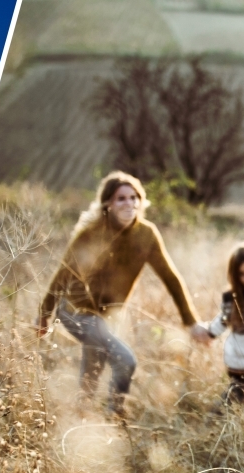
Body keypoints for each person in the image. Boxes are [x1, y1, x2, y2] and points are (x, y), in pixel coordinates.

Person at [37, 171, 199, 418]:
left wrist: (191, 322)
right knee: (125, 360)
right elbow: (63, 274)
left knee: (94, 364)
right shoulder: (91, 233)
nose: (129, 203)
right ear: (108, 204)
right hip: (75, 311)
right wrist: (44, 315)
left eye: (134, 198)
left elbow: (171, 278)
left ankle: (80, 418)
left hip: (105, 317)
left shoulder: (147, 234)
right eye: (121, 198)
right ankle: (115, 413)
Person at [191, 242, 244, 412]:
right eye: (242, 274)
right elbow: (223, 320)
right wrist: (209, 333)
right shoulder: (231, 298)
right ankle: (216, 416)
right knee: (239, 392)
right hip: (238, 357)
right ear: (235, 275)